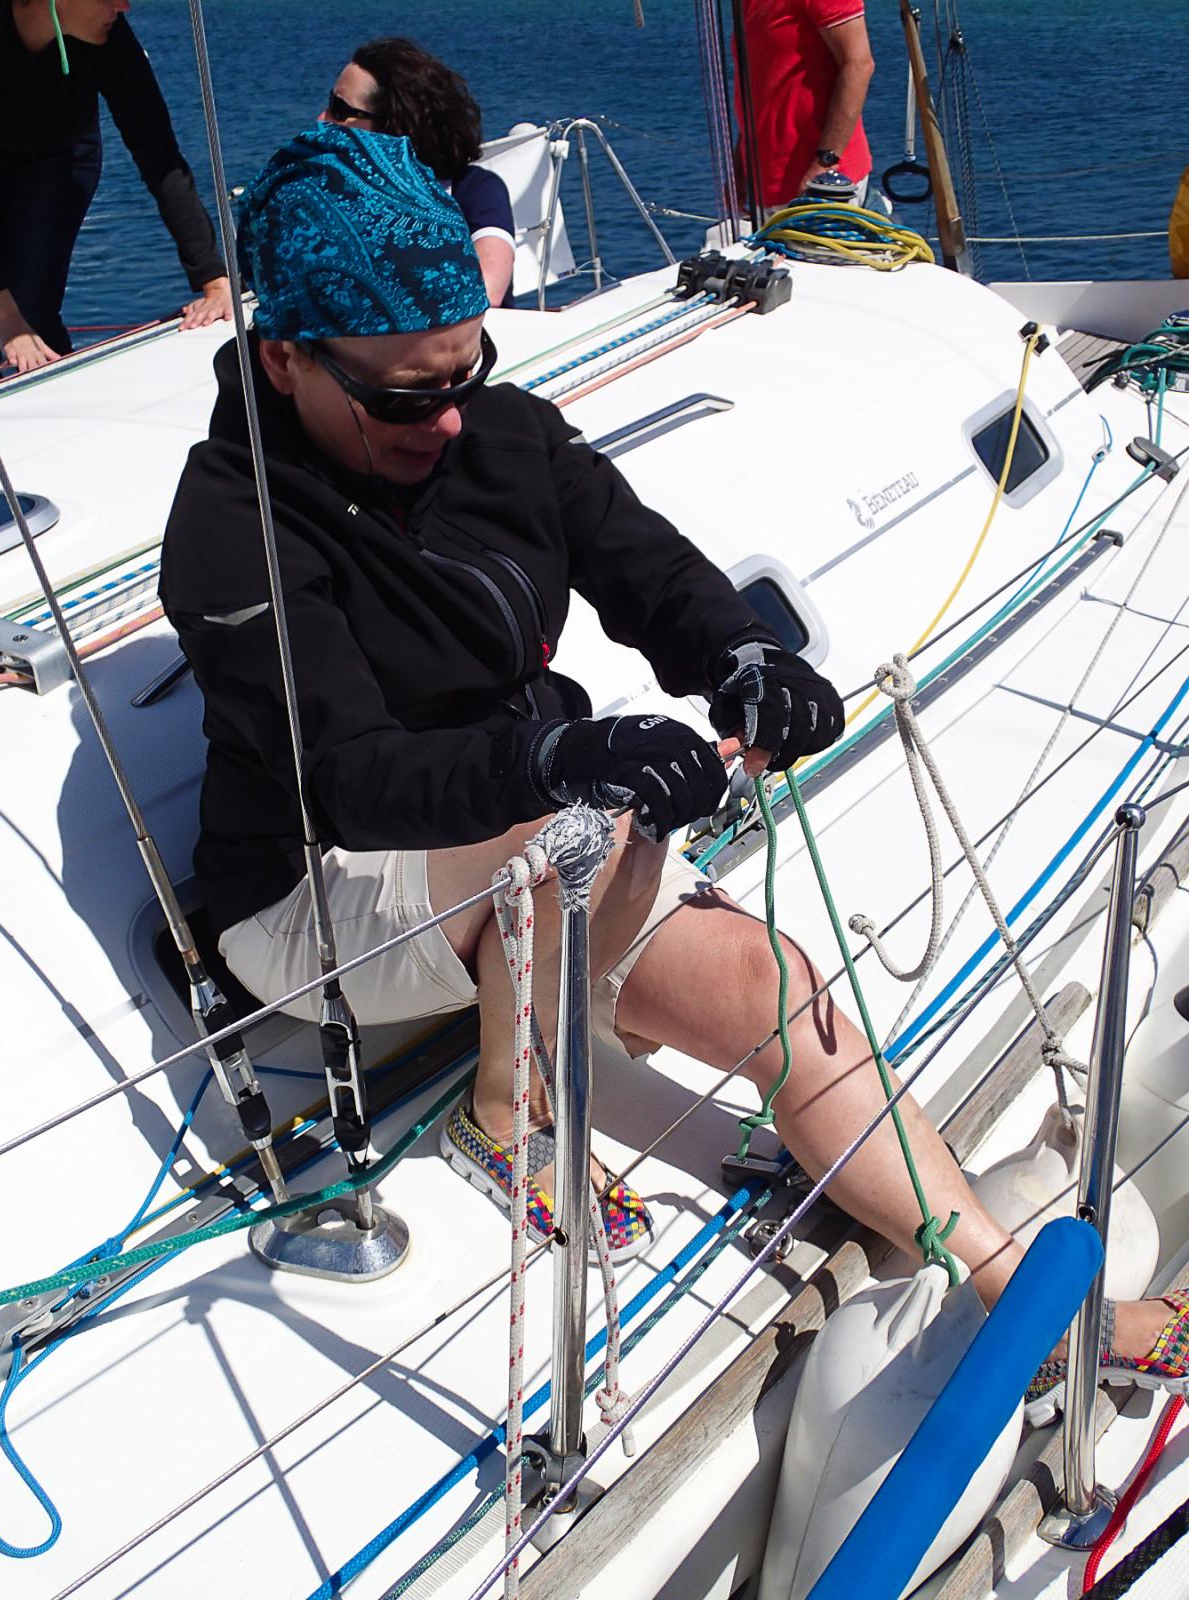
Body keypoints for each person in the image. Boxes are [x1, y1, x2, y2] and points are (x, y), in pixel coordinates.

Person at [160, 124, 1189, 1415]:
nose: (450, 417)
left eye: (467, 369)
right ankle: (507, 1112)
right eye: (408, 397)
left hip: (531, 846)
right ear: (286, 358)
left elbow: (647, 569)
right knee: (585, 825)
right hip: (317, 894)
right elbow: (351, 776)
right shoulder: (231, 525)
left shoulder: (499, 437)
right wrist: (560, 754)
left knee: (776, 989)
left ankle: (1025, 1302)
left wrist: (746, 660)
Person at [0, 0, 233, 374]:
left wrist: (213, 277)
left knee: (32, 307)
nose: (124, 6)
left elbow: (159, 155)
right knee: (5, 321)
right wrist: (3, 315)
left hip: (59, 160)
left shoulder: (109, 37)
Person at [319, 37, 516, 308]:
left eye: (339, 109)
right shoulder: (332, 195)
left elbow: (487, 290)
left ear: (395, 126)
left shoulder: (474, 191)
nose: (322, 119)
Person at [735, 0, 875, 210]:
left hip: (823, 182)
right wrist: (740, 167)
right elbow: (761, 91)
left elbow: (859, 64)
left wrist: (826, 162)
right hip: (767, 187)